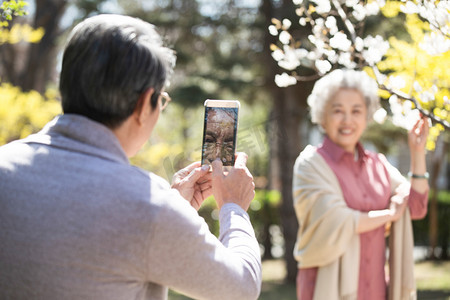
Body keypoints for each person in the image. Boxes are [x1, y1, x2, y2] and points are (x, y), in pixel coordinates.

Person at [0, 14, 261, 300]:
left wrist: (176, 209)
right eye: (161, 100)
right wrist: (233, 208)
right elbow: (241, 289)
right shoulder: (149, 206)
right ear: (143, 104)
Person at [292, 69, 429, 300]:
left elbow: (416, 207)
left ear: (367, 116)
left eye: (356, 111)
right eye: (338, 111)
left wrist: (417, 153)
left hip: (376, 290)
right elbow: (338, 220)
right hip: (324, 288)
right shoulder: (310, 165)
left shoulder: (379, 165)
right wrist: (389, 215)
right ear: (322, 116)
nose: (347, 120)